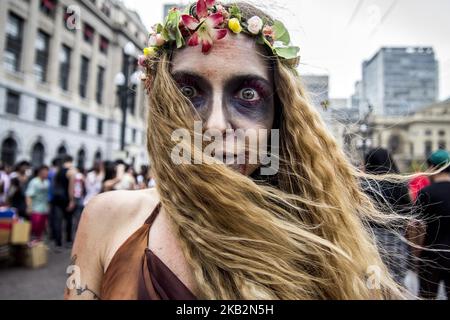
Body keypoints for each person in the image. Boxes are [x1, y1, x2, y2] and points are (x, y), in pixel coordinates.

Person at [67, 1, 407, 300]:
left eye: (248, 96)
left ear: (279, 117)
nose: (215, 125)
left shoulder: (327, 243)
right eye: (188, 92)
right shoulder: (106, 219)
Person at [362, 148, 411, 284]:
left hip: (372, 243)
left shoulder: (364, 185)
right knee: (396, 284)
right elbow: (407, 213)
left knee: (374, 285)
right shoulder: (400, 184)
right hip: (396, 242)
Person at [415, 150, 450, 299]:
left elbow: (417, 228)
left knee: (427, 296)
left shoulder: (426, 193)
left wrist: (416, 255)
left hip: (430, 257)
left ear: (432, 168)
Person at [51, 155, 76, 249]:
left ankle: (58, 243)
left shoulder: (57, 171)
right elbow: (71, 188)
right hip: (66, 199)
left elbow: (54, 185)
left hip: (57, 198)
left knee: (58, 221)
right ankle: (68, 240)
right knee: (68, 220)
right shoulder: (71, 172)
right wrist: (71, 200)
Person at [25, 165, 50, 240]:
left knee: (41, 228)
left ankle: (38, 245)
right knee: (34, 227)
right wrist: (29, 207)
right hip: (35, 208)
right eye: (45, 172)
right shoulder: (34, 182)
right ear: (40, 172)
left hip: (44, 209)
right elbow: (28, 195)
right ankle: (32, 243)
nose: (47, 174)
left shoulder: (47, 182)